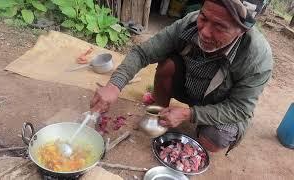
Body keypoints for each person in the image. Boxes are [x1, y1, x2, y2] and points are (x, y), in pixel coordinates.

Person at [90, 0, 273, 154]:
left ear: (242, 31)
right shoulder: (189, 23)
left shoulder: (257, 58)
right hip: (190, 88)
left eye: (219, 26)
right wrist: (114, 85)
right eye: (204, 17)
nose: (205, 32)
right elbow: (142, 53)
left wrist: (190, 114)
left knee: (213, 140)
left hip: (221, 104)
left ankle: (200, 122)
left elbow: (240, 108)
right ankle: (160, 113)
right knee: (167, 64)